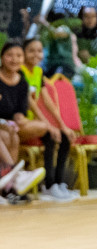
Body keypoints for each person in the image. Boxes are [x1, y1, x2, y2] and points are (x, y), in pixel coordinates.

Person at [0, 40, 74, 202]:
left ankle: (55, 183)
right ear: (2, 57)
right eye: (10, 55)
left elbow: (37, 104)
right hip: (7, 124)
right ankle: (19, 178)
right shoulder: (19, 74)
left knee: (60, 135)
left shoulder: (27, 78)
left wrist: (60, 126)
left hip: (15, 123)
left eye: (18, 55)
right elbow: (31, 104)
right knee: (9, 136)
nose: (15, 59)